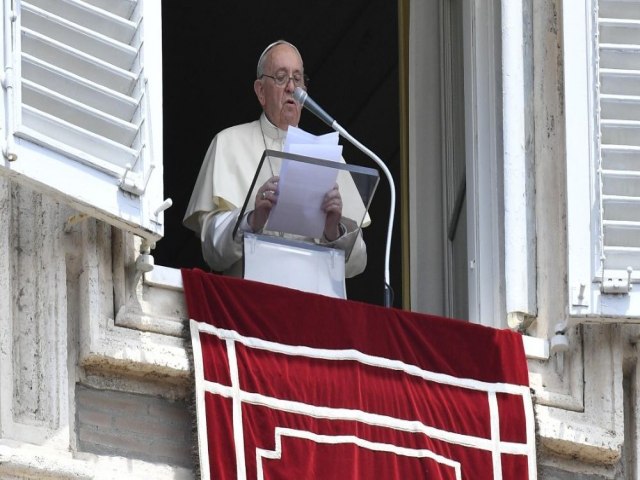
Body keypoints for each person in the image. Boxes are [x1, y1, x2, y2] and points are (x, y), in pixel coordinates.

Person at [183, 40, 368, 278]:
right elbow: (212, 252)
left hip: (314, 302)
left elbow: (358, 264)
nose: (292, 87)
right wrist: (252, 219)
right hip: (249, 304)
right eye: (281, 77)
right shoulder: (228, 143)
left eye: (298, 78)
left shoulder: (330, 156)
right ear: (261, 91)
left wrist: (334, 231)